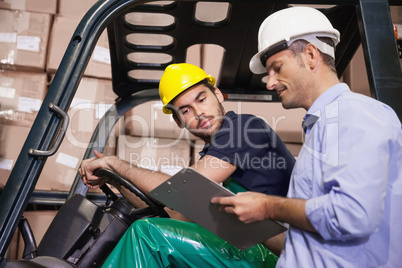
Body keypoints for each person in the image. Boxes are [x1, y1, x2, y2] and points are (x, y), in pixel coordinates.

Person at [212, 6, 402, 267]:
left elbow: (353, 215)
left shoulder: (355, 113)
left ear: (311, 55)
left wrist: (268, 206)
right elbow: (308, 239)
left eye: (277, 68)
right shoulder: (321, 126)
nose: (269, 82)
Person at [80, 63, 295, 267]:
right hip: (244, 244)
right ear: (178, 121)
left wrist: (116, 163)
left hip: (274, 252)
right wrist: (116, 179)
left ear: (218, 95)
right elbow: (171, 212)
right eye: (185, 110)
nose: (198, 113)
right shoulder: (212, 156)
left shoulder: (244, 129)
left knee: (148, 236)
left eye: (201, 99)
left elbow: (183, 188)